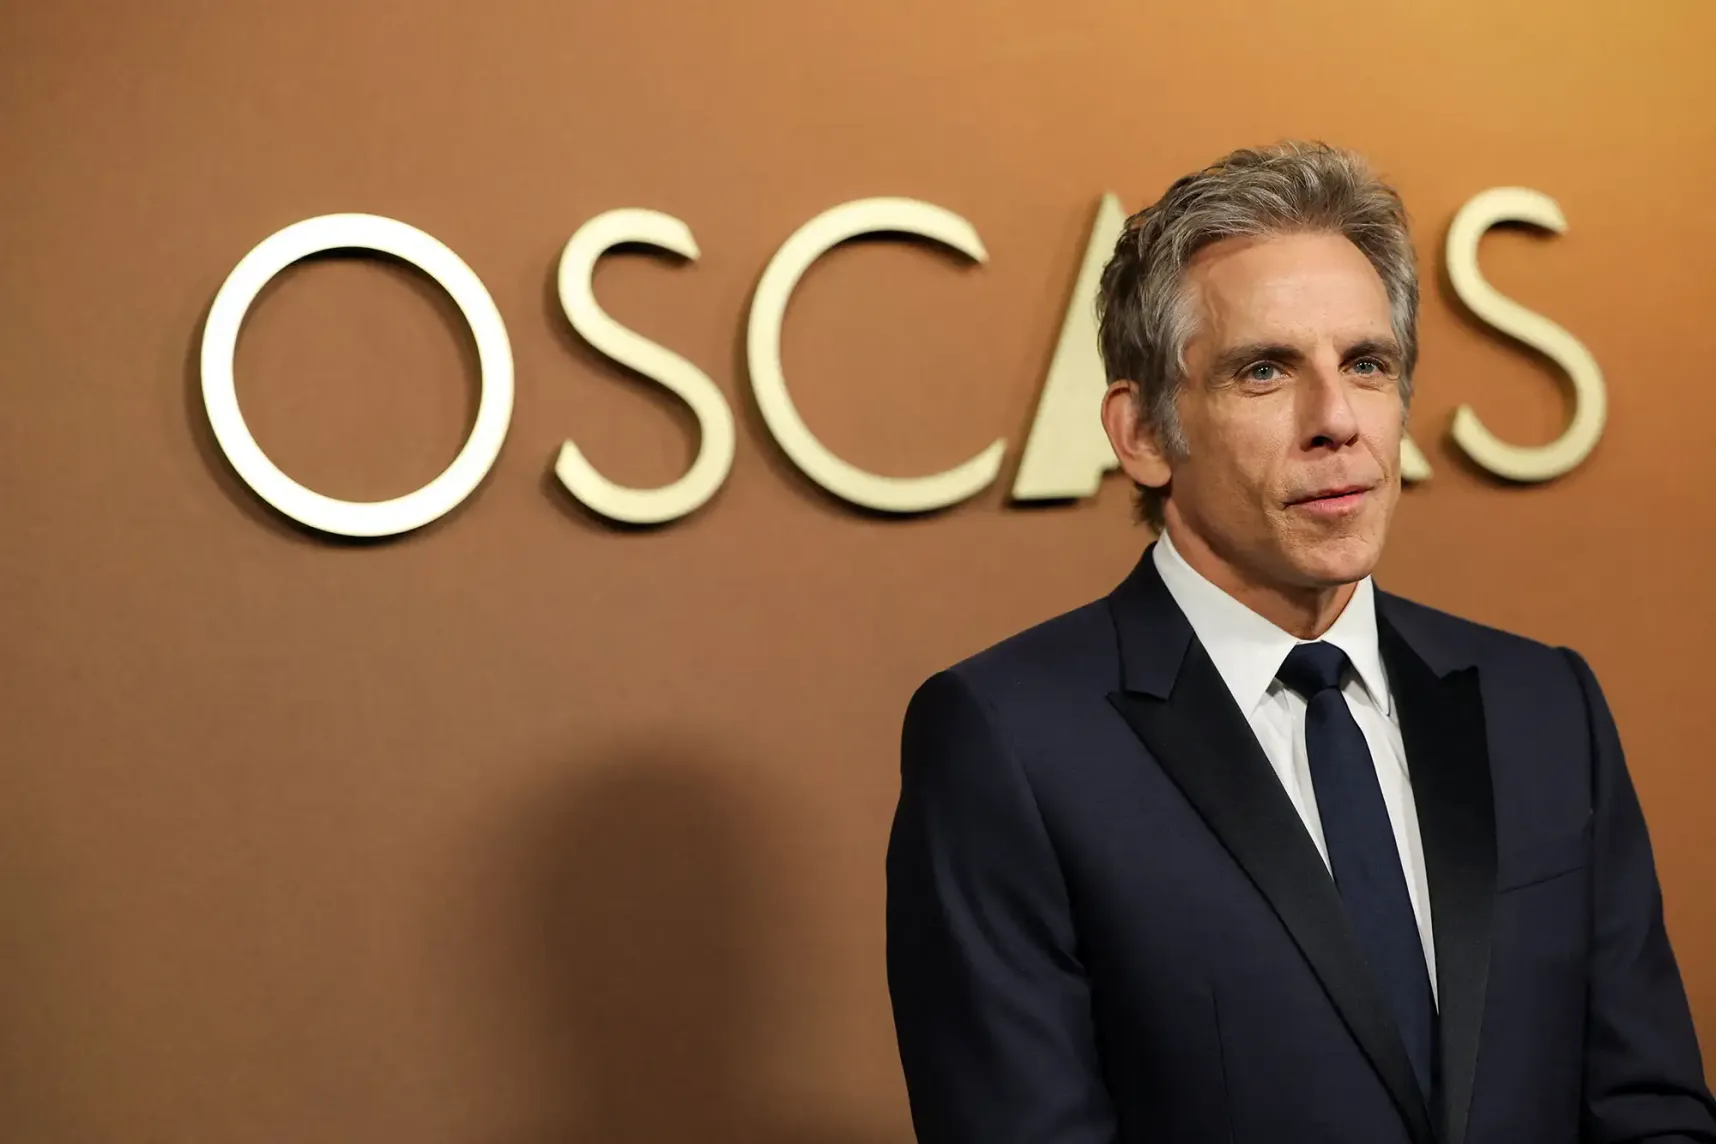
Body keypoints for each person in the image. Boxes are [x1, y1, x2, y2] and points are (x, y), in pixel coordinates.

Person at [885, 141, 1716, 1144]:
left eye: (1367, 364)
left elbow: (1649, 1108)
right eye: (1265, 371)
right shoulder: (1011, 742)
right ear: (1143, 431)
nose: (1337, 421)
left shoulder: (1543, 704)